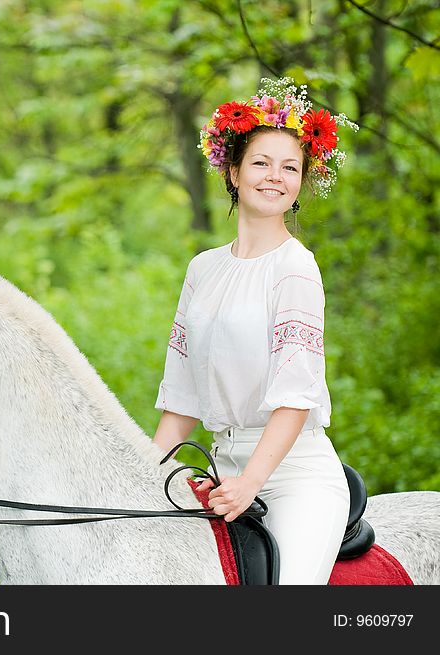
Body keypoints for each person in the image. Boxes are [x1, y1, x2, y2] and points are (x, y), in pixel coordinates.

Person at [152, 78, 359, 585]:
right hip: (219, 471)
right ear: (233, 171)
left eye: (290, 168)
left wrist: (252, 482)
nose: (276, 177)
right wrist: (143, 475)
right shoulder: (202, 269)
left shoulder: (296, 268)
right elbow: (181, 401)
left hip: (293, 479)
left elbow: (295, 398)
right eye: (262, 162)